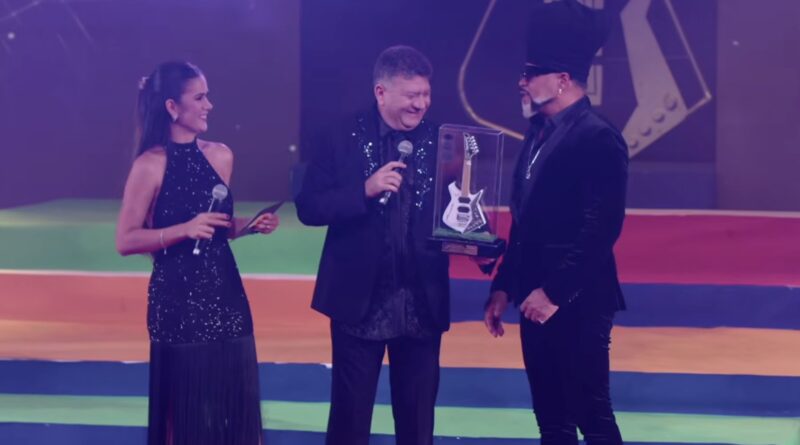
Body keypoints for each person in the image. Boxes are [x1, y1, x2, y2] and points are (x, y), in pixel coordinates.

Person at [483, 1, 628, 443]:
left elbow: (602, 227)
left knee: (592, 414)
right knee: (551, 419)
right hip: (533, 297)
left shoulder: (599, 136)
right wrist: (504, 286)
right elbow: (525, 223)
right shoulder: (537, 133)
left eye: (531, 73)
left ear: (562, 79)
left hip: (577, 299)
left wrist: (555, 293)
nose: (521, 82)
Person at [115, 61, 279, 445]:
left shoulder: (221, 156)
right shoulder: (149, 165)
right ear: (172, 107)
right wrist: (182, 230)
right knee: (185, 411)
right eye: (200, 97)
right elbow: (126, 239)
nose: (209, 105)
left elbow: (215, 226)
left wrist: (248, 225)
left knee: (233, 405)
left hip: (226, 296)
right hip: (177, 302)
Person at [295, 45, 449, 445]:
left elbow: (459, 210)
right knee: (349, 420)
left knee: (418, 425)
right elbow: (309, 206)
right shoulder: (338, 136)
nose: (421, 104)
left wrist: (473, 242)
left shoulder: (444, 140)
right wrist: (363, 190)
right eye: (411, 95)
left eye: (425, 94)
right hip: (358, 305)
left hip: (421, 305)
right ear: (381, 92)